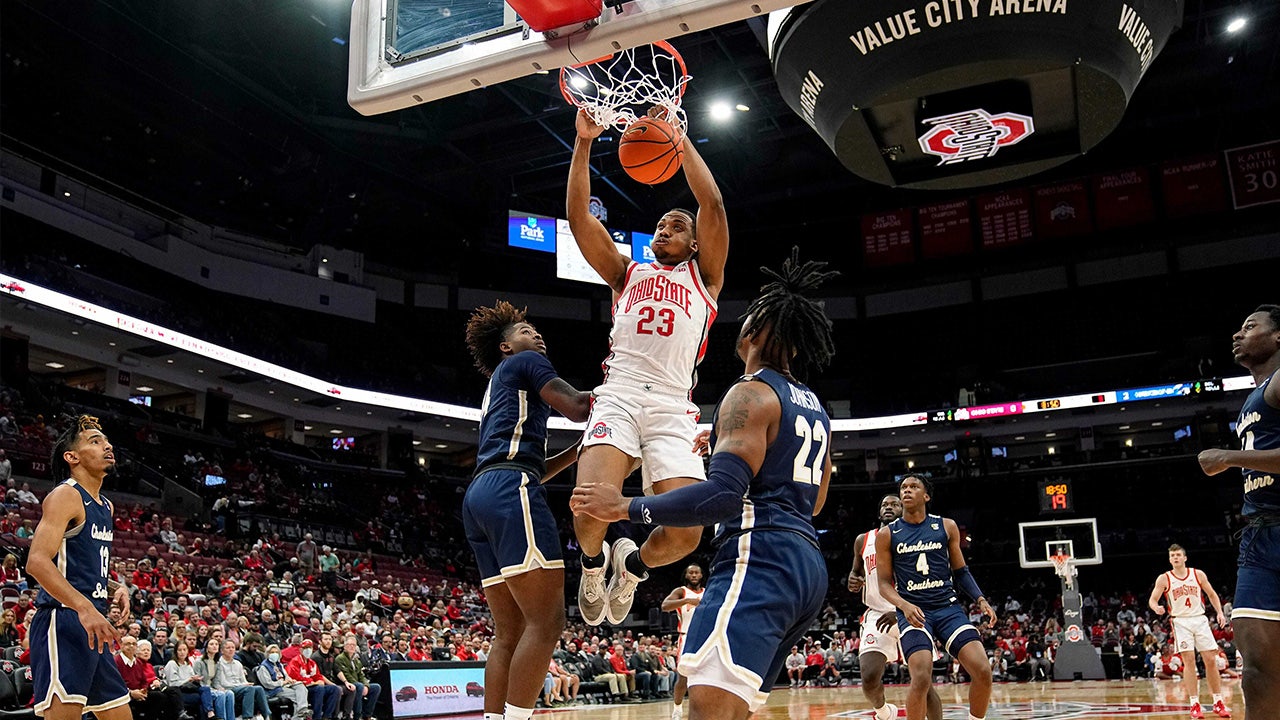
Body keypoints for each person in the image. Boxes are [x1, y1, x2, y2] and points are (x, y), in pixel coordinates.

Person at [572, 249, 836, 720]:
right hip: (808, 569)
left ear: (751, 332)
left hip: (760, 559)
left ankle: (623, 561)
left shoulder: (750, 392)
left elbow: (721, 497)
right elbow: (815, 502)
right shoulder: (815, 406)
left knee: (708, 714)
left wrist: (625, 507)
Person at [567, 107, 730, 626]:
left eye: (678, 225)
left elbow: (713, 203)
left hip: (672, 404)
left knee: (688, 531)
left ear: (696, 242)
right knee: (590, 503)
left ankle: (631, 566)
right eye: (660, 224)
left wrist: (678, 138)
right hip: (618, 392)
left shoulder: (705, 278)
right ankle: (593, 566)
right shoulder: (627, 272)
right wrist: (585, 143)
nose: (666, 228)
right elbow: (579, 221)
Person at [461, 301, 592, 720]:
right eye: (525, 331)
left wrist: (575, 454)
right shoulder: (526, 363)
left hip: (482, 492)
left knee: (510, 631)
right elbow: (577, 406)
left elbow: (526, 463)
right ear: (505, 347)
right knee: (547, 622)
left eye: (537, 332)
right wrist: (628, 392)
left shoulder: (499, 383)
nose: (537, 337)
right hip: (508, 489)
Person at [1199, 304, 1280, 713]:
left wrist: (1231, 457)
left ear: (1279, 336)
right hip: (1258, 538)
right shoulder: (1253, 396)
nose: (1238, 334)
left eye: (1250, 327)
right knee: (1256, 671)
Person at [27, 415, 133, 720]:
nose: (107, 445)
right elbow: (36, 561)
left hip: (93, 624)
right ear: (72, 457)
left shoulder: (105, 505)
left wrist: (116, 587)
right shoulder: (65, 495)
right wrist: (84, 607)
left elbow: (80, 562)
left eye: (106, 440)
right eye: (95, 441)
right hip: (63, 621)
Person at [875, 475, 996, 720]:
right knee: (920, 678)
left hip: (948, 609)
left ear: (926, 496)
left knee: (982, 670)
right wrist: (903, 605)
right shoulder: (888, 534)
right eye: (903, 488)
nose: (906, 491)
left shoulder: (946, 526)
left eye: (913, 487)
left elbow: (961, 572)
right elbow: (884, 584)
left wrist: (980, 599)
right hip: (915, 613)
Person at [849, 494, 941, 720]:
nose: (889, 507)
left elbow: (928, 580)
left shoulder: (916, 538)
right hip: (877, 614)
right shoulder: (863, 540)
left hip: (910, 611)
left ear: (903, 509)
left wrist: (899, 610)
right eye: (884, 504)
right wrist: (853, 580)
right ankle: (884, 712)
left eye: (895, 504)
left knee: (923, 683)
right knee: (869, 678)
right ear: (879, 511)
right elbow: (856, 572)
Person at [1148, 544, 1231, 718]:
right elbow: (1152, 600)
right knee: (1189, 660)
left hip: (1200, 618)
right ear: (1170, 559)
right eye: (1172, 556)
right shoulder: (1164, 579)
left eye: (1178, 555)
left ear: (1185, 558)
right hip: (1180, 621)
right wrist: (1156, 608)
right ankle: (1194, 704)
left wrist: (1219, 613)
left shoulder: (1197, 574)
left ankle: (1218, 701)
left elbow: (1212, 594)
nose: (1175, 558)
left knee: (1210, 659)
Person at [660, 563, 704, 720]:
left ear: (701, 575)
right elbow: (665, 606)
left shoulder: (707, 592)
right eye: (690, 572)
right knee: (683, 676)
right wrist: (686, 601)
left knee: (706, 675)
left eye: (696, 573)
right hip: (686, 637)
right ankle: (677, 709)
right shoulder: (681, 591)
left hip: (706, 638)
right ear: (686, 575)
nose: (693, 575)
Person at [213, 639, 270, 720]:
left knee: (258, 688)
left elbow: (243, 680)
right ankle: (247, 717)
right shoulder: (219, 664)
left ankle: (266, 715)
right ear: (222, 651)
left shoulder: (238, 663)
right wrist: (242, 685)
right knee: (249, 689)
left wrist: (245, 683)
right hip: (228, 688)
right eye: (228, 648)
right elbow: (223, 683)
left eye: (232, 647)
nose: (231, 649)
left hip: (240, 687)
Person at [162, 639, 216, 720]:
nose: (182, 652)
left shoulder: (187, 664)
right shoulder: (172, 664)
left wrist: (195, 679)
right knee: (202, 698)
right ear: (176, 652)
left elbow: (191, 680)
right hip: (177, 693)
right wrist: (188, 679)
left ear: (187, 651)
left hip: (188, 689)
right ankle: (209, 715)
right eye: (180, 650)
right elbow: (172, 684)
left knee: (205, 689)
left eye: (184, 650)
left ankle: (210, 713)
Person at [257, 644, 310, 720]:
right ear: (267, 654)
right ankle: (299, 715)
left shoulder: (279, 665)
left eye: (276, 652)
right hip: (274, 690)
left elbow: (286, 675)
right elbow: (267, 684)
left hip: (285, 685)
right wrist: (282, 683)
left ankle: (302, 710)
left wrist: (290, 680)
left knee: (301, 686)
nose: (274, 654)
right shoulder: (263, 667)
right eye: (272, 652)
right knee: (297, 696)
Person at [334, 636, 380, 720]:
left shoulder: (356, 660)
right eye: (349, 644)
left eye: (354, 645)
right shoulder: (340, 659)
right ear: (344, 646)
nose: (352, 646)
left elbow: (361, 675)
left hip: (358, 684)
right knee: (359, 686)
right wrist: (362, 686)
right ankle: (357, 715)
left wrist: (366, 685)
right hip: (345, 683)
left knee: (376, 687)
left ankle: (367, 715)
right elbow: (346, 675)